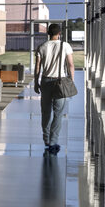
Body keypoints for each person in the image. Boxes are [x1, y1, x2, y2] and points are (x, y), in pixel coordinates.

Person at [35, 23, 75, 154]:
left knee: (45, 112)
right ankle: (53, 141)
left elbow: (37, 68)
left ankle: (46, 139)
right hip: (60, 82)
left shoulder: (42, 47)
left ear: (48, 33)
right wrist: (71, 81)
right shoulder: (65, 45)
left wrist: (36, 82)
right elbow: (70, 65)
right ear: (59, 33)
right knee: (58, 114)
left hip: (46, 81)